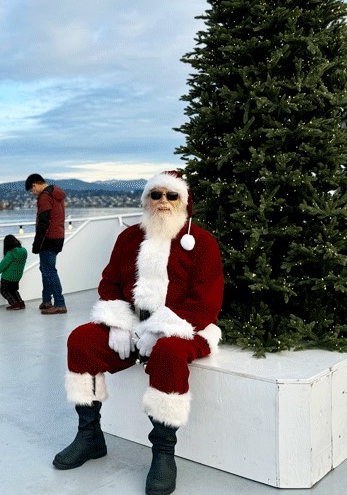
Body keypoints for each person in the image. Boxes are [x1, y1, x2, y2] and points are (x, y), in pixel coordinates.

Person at [52, 171, 223, 495]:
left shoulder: (202, 244)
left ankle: (163, 453)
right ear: (146, 200)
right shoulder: (128, 239)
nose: (163, 202)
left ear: (185, 202)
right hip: (132, 324)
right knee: (82, 340)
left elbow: (205, 304)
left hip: (186, 327)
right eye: (155, 195)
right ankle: (90, 436)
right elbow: (109, 285)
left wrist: (161, 329)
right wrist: (119, 321)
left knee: (168, 353)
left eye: (171, 196)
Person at [24, 173, 67, 315]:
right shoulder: (56, 193)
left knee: (49, 271)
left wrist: (37, 244)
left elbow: (43, 222)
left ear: (35, 184)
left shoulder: (44, 197)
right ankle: (47, 300)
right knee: (46, 269)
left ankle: (59, 303)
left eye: (32, 190)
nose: (33, 193)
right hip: (58, 236)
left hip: (48, 239)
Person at [0, 234, 27, 310]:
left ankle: (14, 304)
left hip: (7, 277)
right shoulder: (24, 251)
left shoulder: (10, 253)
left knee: (4, 291)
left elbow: (3, 265)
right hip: (17, 276)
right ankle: (21, 303)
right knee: (14, 290)